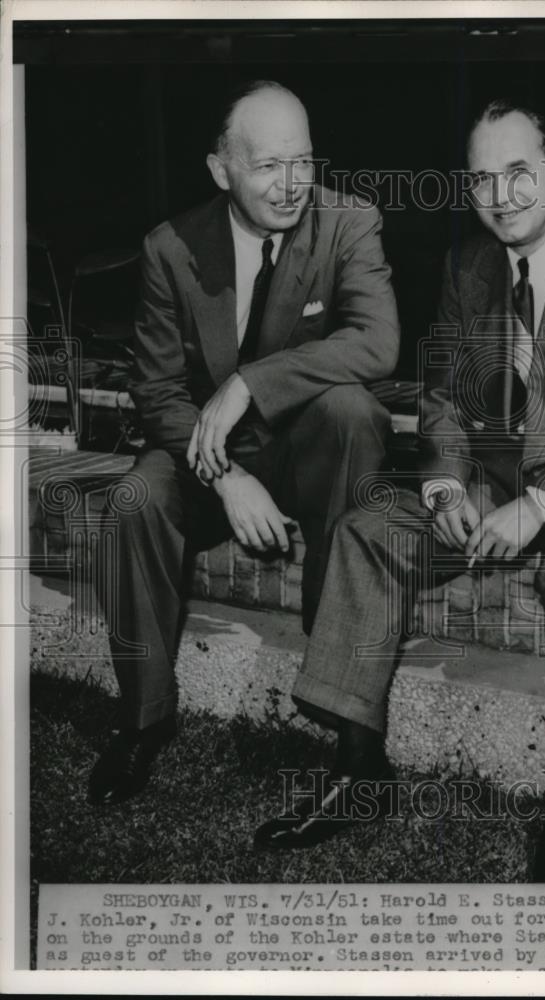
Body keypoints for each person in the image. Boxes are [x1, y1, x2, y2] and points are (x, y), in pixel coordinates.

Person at [254, 98, 545, 883]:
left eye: (518, 172)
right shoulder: (467, 266)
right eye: (482, 178)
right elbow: (446, 397)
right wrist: (447, 484)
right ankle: (359, 768)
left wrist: (541, 503)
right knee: (364, 526)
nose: (500, 196)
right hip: (490, 473)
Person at [89, 81, 400, 806]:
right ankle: (141, 721)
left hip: (308, 453)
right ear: (221, 168)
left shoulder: (347, 222)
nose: (291, 185)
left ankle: (350, 715)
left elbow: (378, 343)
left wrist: (250, 383)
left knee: (354, 412)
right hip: (209, 460)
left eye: (303, 161)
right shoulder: (171, 248)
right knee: (134, 498)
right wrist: (226, 477)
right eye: (267, 166)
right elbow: (158, 394)